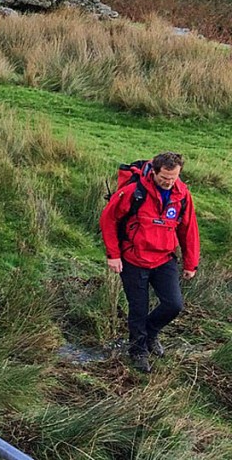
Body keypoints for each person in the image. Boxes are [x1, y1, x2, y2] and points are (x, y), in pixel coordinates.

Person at [100, 152, 200, 373]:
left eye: (174, 177)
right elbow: (108, 219)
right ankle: (138, 350)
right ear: (154, 171)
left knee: (174, 304)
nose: (169, 182)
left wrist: (191, 263)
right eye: (165, 177)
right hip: (134, 258)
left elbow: (188, 229)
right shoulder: (133, 192)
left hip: (164, 258)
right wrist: (113, 255)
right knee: (139, 307)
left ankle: (150, 333)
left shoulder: (182, 195)